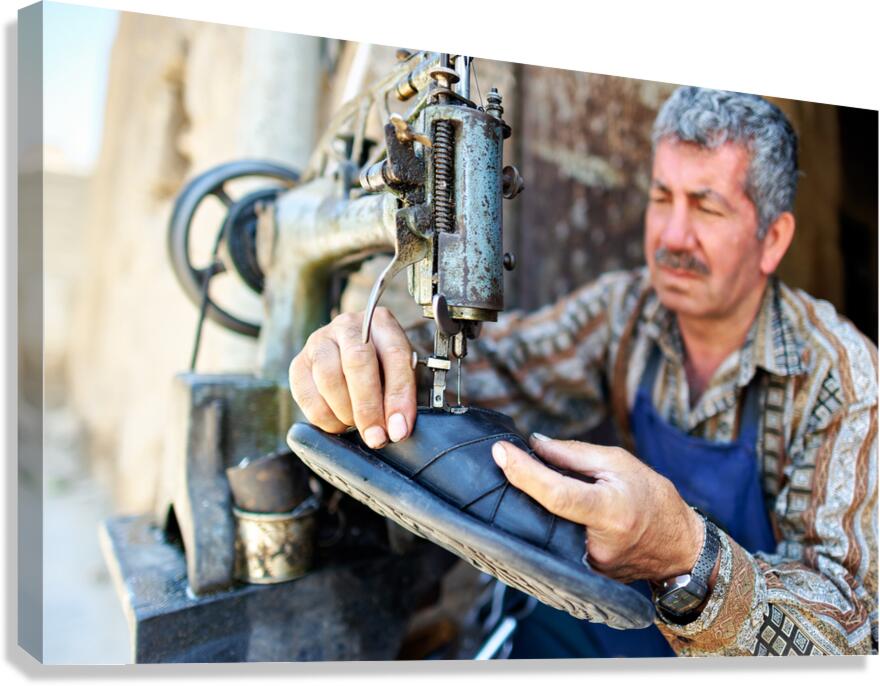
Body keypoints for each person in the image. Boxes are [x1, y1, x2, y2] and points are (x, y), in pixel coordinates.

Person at [288, 87, 878, 656]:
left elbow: (853, 636)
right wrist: (379, 360)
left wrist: (683, 553)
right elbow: (498, 369)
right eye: (662, 197)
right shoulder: (628, 312)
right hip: (637, 625)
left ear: (772, 240)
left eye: (706, 206)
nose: (673, 236)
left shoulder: (840, 380)